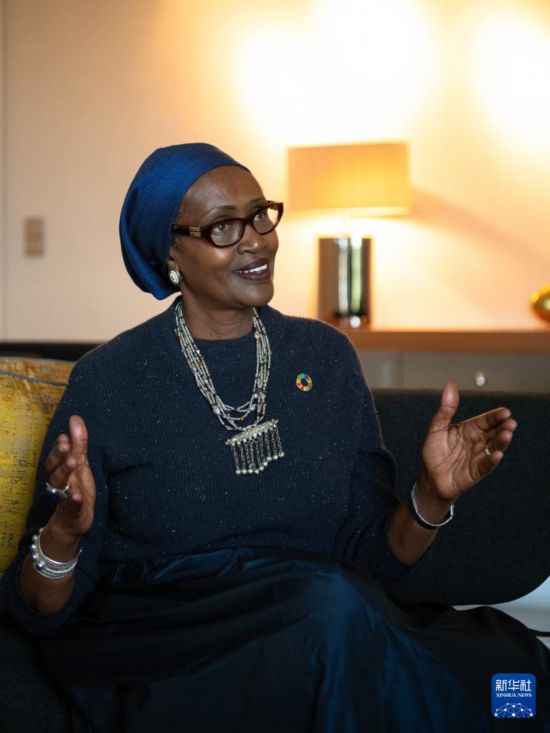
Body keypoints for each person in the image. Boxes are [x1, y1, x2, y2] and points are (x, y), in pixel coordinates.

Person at [1, 143, 548, 732]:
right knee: (337, 622)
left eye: (260, 215)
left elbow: (373, 560)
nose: (256, 241)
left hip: (328, 622)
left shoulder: (324, 356)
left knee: (516, 681)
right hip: (174, 643)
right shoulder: (110, 379)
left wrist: (431, 498)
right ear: (170, 251)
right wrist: (64, 533)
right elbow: (39, 612)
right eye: (224, 227)